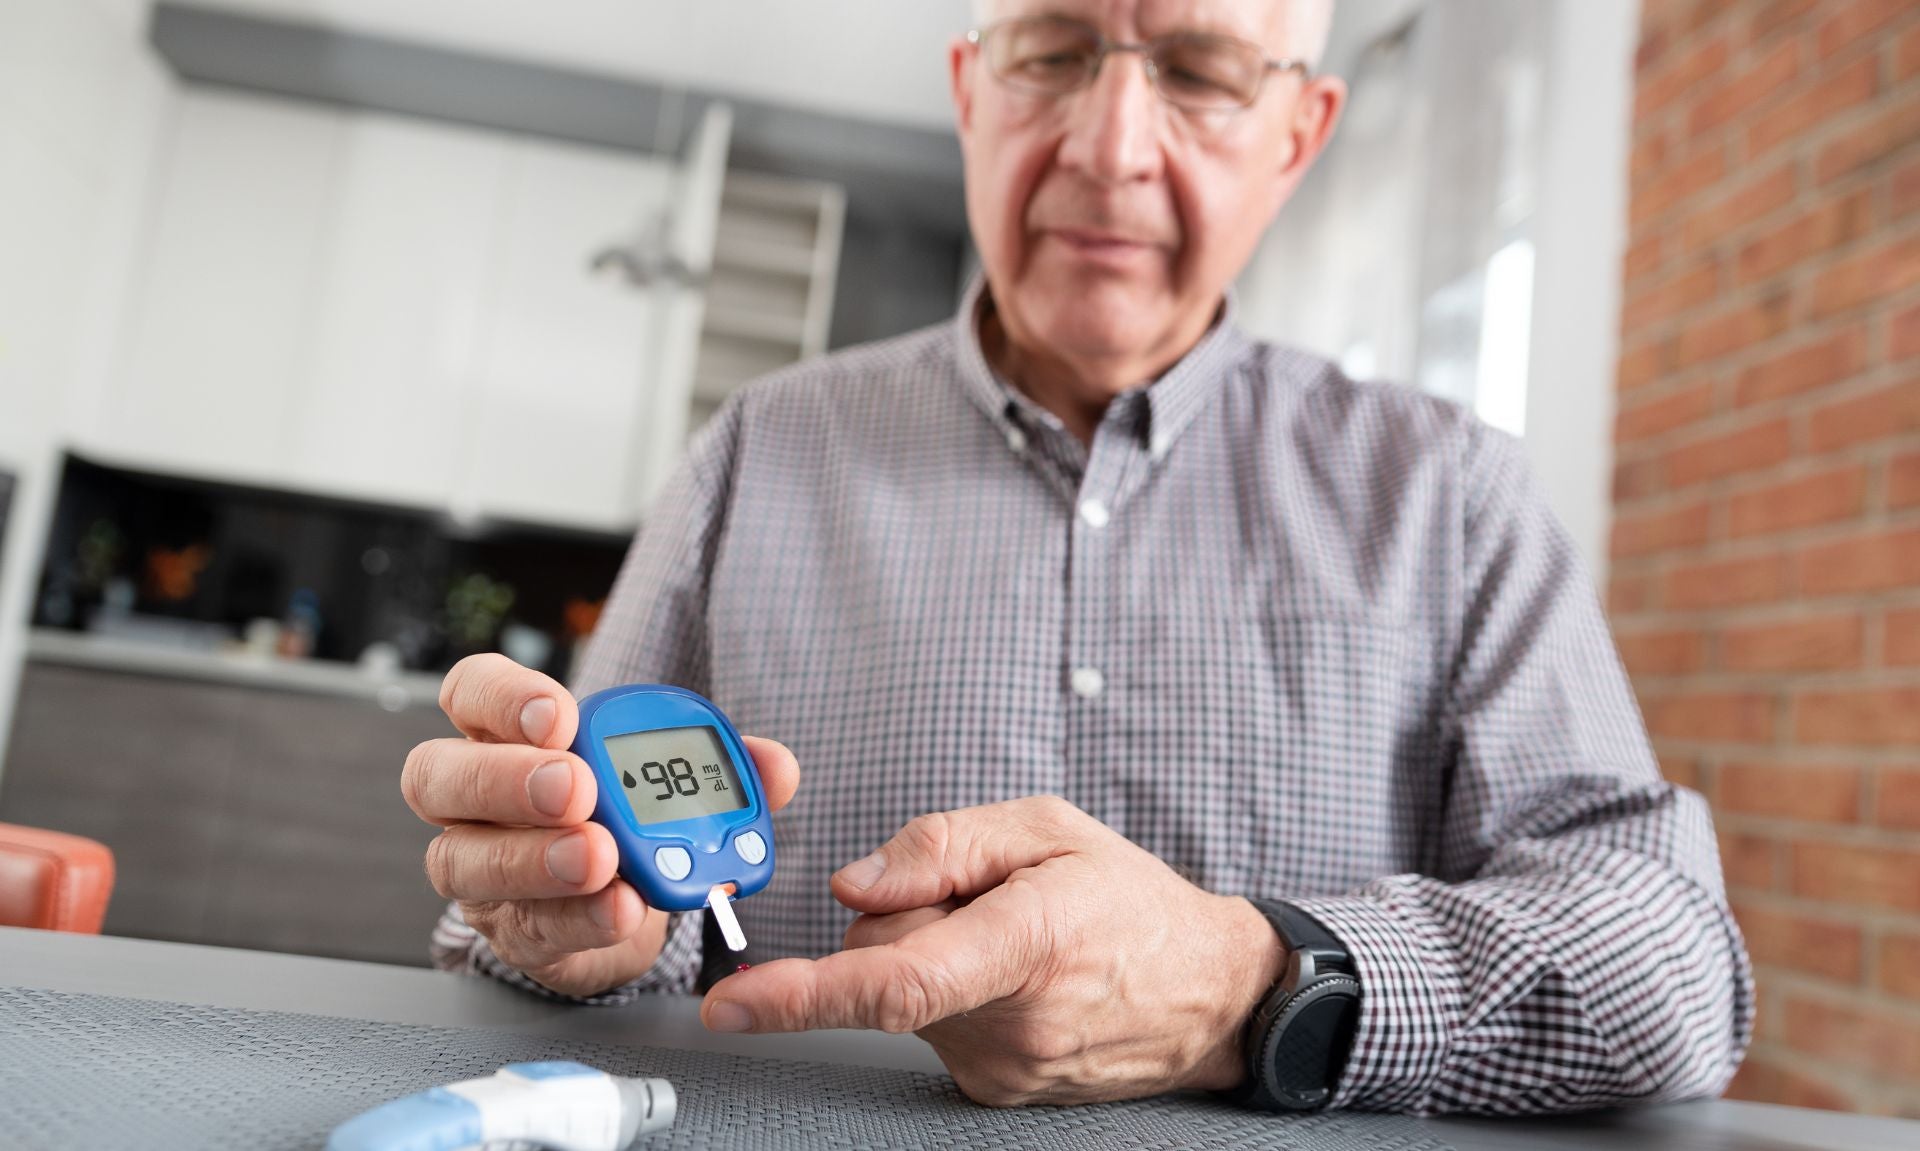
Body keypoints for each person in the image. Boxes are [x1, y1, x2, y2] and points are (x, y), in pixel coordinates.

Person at [404, 0, 1753, 1114]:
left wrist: (1252, 985)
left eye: (1200, 70)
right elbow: (575, 905)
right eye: (1052, 52)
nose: (1109, 147)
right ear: (970, 89)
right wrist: (569, 932)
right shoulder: (758, 451)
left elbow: (1679, 966)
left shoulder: (1455, 500)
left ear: (1300, 131)